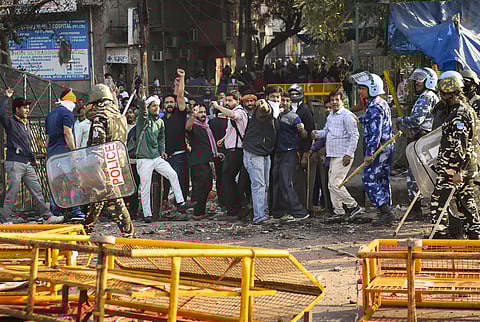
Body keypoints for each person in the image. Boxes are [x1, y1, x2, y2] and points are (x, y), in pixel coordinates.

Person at [430, 71, 480, 239]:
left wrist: (458, 171)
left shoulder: (459, 114)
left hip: (454, 169)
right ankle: (474, 237)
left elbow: (461, 145)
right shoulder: (463, 110)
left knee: (439, 201)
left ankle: (440, 238)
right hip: (461, 168)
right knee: (466, 203)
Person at [0, 89, 61, 224]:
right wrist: (5, 97)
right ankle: (4, 220)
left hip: (26, 163)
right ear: (17, 109)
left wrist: (33, 160)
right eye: (24, 108)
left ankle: (47, 216)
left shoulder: (25, 124)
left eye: (28, 108)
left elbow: (26, 145)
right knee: (12, 193)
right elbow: (0, 113)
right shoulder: (10, 122)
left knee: (37, 189)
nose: (27, 110)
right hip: (14, 162)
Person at [136, 91, 195, 223]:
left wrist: (162, 150)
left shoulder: (160, 122)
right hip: (144, 159)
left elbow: (161, 137)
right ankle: (147, 214)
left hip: (156, 157)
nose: (156, 108)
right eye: (153, 106)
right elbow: (142, 111)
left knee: (172, 174)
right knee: (145, 187)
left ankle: (180, 202)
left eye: (157, 106)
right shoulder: (143, 121)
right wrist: (142, 98)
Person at [82, 84, 134, 237]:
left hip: (103, 165)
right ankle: (85, 231)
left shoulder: (100, 117)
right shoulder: (120, 117)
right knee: (105, 201)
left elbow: (97, 147)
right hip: (116, 163)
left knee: (112, 201)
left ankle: (84, 233)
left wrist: (91, 169)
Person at [312, 87, 363, 221]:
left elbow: (354, 135)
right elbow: (326, 131)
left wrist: (349, 153)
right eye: (332, 100)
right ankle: (338, 211)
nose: (334, 102)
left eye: (337, 99)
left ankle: (354, 206)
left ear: (342, 101)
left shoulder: (347, 116)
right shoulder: (331, 116)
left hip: (343, 154)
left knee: (336, 184)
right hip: (333, 154)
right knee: (331, 185)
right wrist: (316, 134)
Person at [351, 71, 394, 226]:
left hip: (379, 148)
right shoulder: (379, 103)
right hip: (386, 146)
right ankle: (386, 210)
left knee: (368, 178)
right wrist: (359, 119)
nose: (360, 91)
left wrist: (370, 153)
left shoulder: (375, 106)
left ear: (372, 88)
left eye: (363, 88)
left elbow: (375, 132)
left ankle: (385, 211)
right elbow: (373, 121)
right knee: (382, 179)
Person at [397, 67, 439, 220]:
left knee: (415, 174)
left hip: (422, 140)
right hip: (425, 140)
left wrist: (401, 120)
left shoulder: (426, 97)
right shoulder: (429, 96)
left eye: (420, 79)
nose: (416, 82)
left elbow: (416, 120)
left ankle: (416, 210)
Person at [45, 88, 85, 221]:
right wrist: (73, 152)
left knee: (55, 183)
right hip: (64, 152)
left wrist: (48, 153)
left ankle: (55, 211)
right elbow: (67, 133)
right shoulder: (67, 114)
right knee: (73, 181)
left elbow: (47, 138)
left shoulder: (50, 114)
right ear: (71, 102)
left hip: (52, 153)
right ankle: (76, 211)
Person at [212, 90, 250, 220]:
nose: (227, 103)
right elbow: (233, 130)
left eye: (230, 100)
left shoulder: (239, 112)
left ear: (237, 101)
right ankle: (239, 204)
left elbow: (233, 115)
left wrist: (217, 107)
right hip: (232, 150)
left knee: (227, 180)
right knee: (228, 180)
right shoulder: (236, 113)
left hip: (236, 151)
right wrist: (224, 139)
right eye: (226, 101)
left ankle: (236, 208)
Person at [271, 93, 309, 222]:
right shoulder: (276, 115)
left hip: (290, 152)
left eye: (288, 101)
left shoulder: (294, 117)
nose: (285, 103)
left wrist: (302, 129)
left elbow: (304, 135)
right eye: (283, 100)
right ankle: (278, 212)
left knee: (286, 181)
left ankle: (300, 212)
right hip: (278, 152)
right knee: (277, 181)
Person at [242, 98, 277, 224]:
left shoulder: (268, 117)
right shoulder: (261, 114)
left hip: (264, 152)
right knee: (259, 185)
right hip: (254, 152)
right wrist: (263, 102)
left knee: (265, 185)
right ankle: (259, 216)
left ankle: (263, 212)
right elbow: (264, 109)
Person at [186, 104, 223, 218]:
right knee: (202, 187)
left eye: (203, 112)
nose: (202, 114)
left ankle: (199, 211)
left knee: (205, 187)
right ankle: (198, 212)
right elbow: (187, 128)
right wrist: (193, 115)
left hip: (205, 159)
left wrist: (216, 153)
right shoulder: (194, 126)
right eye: (200, 112)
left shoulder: (206, 127)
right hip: (198, 161)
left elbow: (208, 144)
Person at [162, 69, 189, 203]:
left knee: (180, 180)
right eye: (167, 103)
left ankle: (181, 205)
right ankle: (165, 204)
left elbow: (179, 96)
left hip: (179, 155)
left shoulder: (179, 114)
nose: (169, 104)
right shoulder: (161, 119)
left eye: (171, 102)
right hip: (165, 156)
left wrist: (182, 78)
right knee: (164, 183)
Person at [288, 84, 316, 211]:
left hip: (300, 149)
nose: (293, 96)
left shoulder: (305, 110)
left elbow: (310, 132)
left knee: (300, 181)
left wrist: (306, 152)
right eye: (291, 93)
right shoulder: (287, 108)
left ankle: (304, 208)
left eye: (296, 93)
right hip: (289, 148)